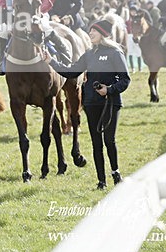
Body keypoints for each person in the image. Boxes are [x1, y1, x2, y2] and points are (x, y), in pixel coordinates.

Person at [45, 19, 131, 189]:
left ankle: (115, 173)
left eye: (94, 31)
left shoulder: (115, 53)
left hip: (110, 103)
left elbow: (125, 80)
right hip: (91, 103)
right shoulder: (89, 54)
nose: (90, 33)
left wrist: (110, 89)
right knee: (96, 142)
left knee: (109, 140)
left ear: (103, 34)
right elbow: (71, 71)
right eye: (90, 30)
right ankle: (101, 181)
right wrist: (51, 61)